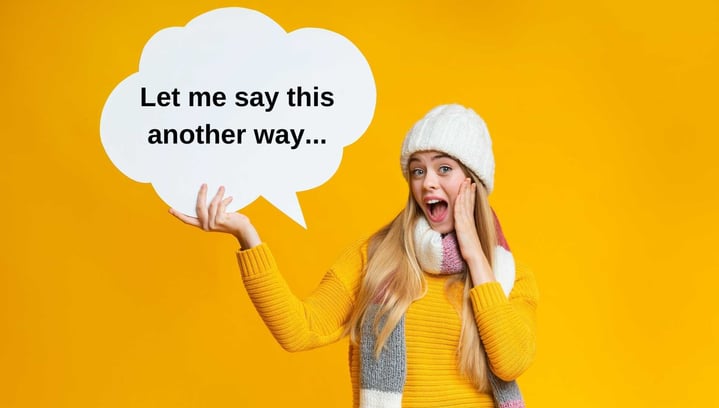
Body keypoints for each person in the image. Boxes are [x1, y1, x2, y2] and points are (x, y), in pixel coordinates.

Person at [170, 104, 539, 408]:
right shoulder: (374, 258)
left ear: (473, 182)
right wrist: (246, 235)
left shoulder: (509, 277)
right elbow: (301, 329)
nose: (428, 182)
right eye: (417, 170)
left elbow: (510, 363)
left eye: (444, 168)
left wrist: (476, 257)